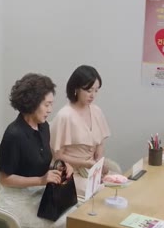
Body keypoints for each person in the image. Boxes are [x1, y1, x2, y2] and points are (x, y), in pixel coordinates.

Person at [0, 73, 77, 228]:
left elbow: (44, 158)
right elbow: (4, 179)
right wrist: (41, 180)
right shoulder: (14, 134)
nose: (50, 110)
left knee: (79, 213)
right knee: (69, 224)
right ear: (32, 103)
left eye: (51, 104)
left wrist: (63, 165)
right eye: (47, 104)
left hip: (38, 193)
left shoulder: (43, 127)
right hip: (16, 201)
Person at [50, 65, 117, 198]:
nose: (93, 95)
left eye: (96, 90)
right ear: (76, 88)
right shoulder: (64, 116)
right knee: (101, 193)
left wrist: (98, 164)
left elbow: (100, 143)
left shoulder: (96, 111)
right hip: (70, 173)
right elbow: (58, 156)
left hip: (91, 169)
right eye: (89, 90)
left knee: (117, 184)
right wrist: (85, 163)